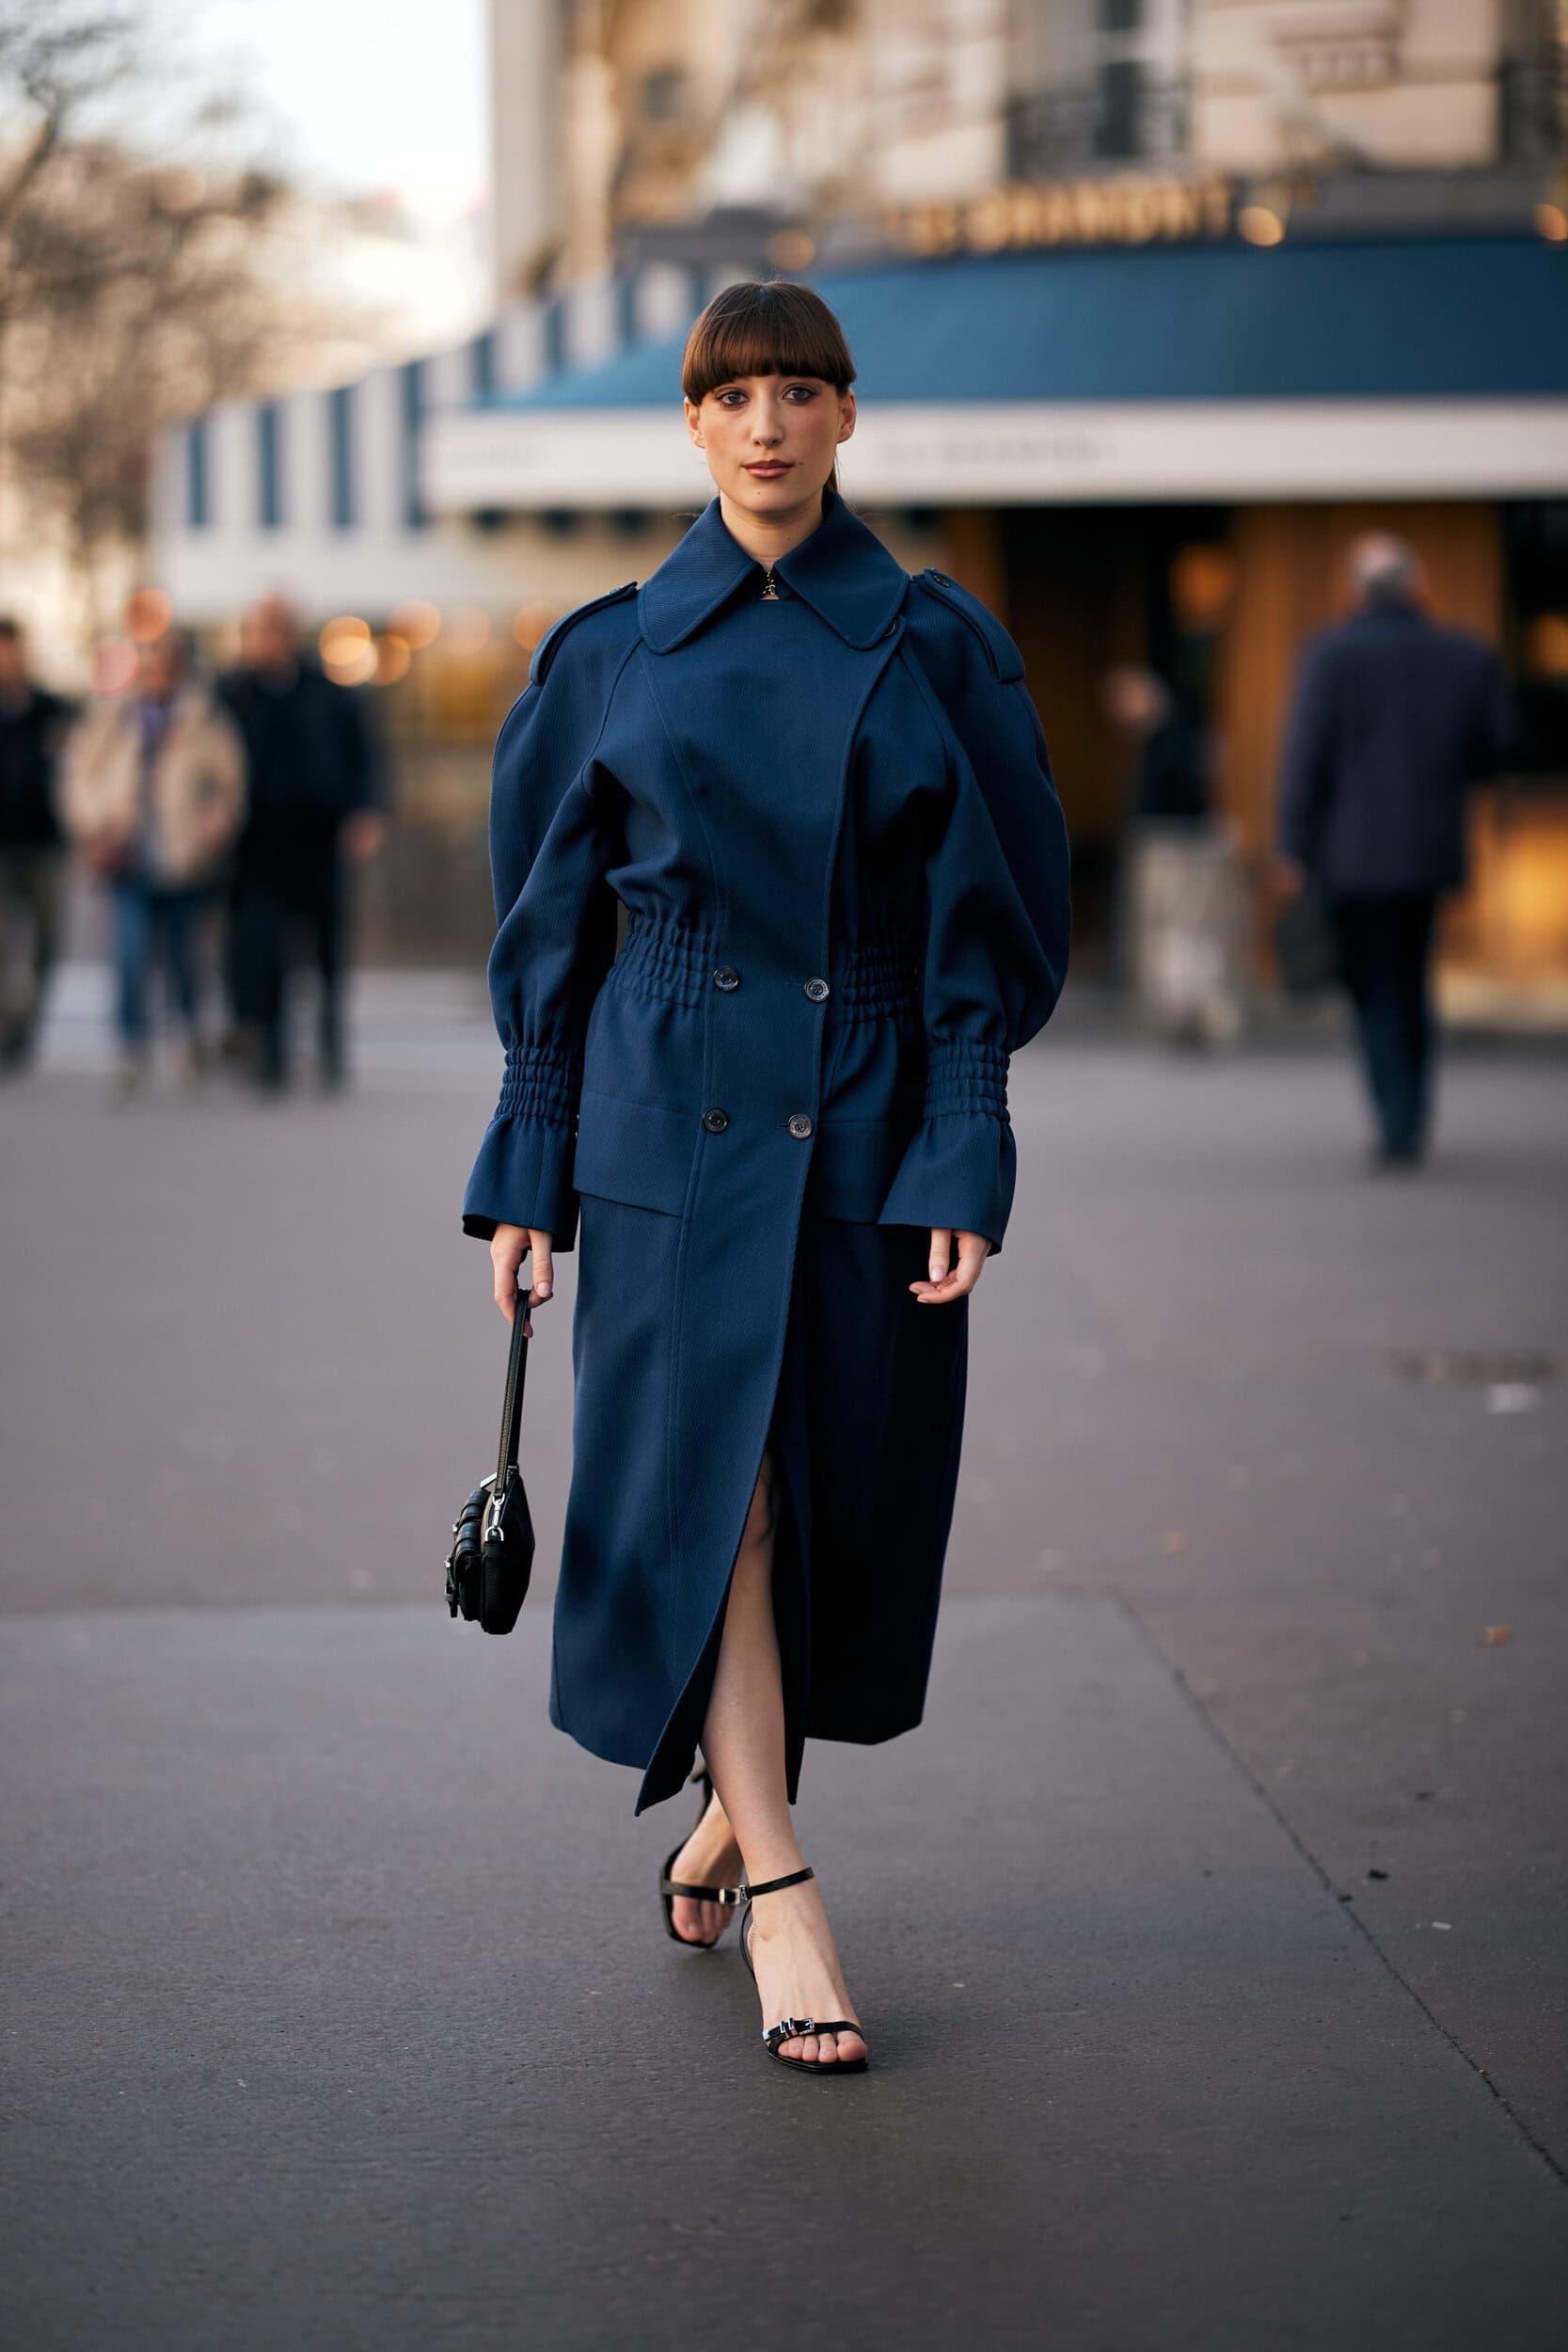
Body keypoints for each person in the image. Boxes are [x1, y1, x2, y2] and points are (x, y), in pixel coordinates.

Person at [459, 279, 1071, 2074]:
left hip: (868, 1104)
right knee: (714, 1491)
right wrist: (526, 1179)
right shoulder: (607, 654)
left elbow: (999, 922)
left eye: (799, 391)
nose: (767, 425)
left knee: (831, 1493)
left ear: (847, 419)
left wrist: (965, 1138)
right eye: (732, 396)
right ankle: (787, 1894)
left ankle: (730, 1804)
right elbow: (544, 945)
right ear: (693, 425)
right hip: (662, 1120)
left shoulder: (936, 644)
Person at [1275, 533, 1514, 1167]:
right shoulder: (1463, 655)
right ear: (1415, 586)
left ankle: (1396, 1120)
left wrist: (1291, 847)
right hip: (1430, 848)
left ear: (1356, 590)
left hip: (1350, 855)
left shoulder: (1330, 655)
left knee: (1373, 984)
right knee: (1412, 976)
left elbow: (1305, 757)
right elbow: (1498, 747)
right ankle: (1411, 1112)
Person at [60, 628, 246, 1102]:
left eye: (164, 665)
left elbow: (229, 782)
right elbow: (80, 775)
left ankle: (186, 1033)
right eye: (148, 665)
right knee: (130, 954)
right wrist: (94, 825)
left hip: (184, 858)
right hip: (129, 855)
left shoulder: (204, 720)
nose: (155, 675)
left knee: (185, 958)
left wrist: (218, 818)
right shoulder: (114, 717)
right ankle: (130, 1044)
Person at [218, 596, 387, 1093]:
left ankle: (331, 1041)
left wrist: (366, 814)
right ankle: (271, 1051)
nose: (261, 641)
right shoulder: (231, 694)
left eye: (271, 631)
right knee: (262, 950)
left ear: (288, 635)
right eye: (254, 631)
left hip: (318, 838)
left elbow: (364, 756)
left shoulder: (328, 693)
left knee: (326, 947)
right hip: (257, 845)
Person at [0, 617, 73, 1073]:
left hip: (44, 844)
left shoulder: (51, 709)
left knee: (48, 943)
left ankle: (24, 1025)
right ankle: (6, 1030)